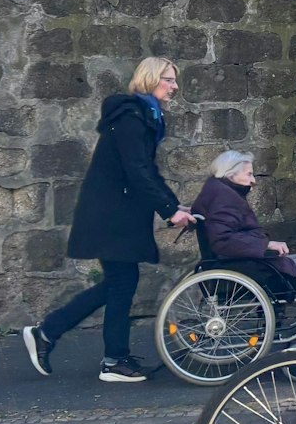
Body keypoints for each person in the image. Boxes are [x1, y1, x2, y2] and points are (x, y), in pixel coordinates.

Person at [22, 57, 196, 382]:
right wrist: (170, 210)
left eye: (174, 80)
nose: (174, 87)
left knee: (119, 284)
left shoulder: (142, 116)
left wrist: (173, 207)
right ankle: (110, 359)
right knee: (121, 283)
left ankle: (53, 334)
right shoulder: (131, 117)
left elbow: (147, 171)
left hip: (117, 214)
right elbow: (138, 171)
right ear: (150, 79)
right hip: (113, 216)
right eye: (169, 80)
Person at [189, 150, 296, 348]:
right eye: (249, 174)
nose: (253, 181)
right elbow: (223, 241)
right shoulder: (224, 197)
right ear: (231, 175)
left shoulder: (218, 192)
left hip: (237, 262)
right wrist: (266, 245)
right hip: (238, 266)